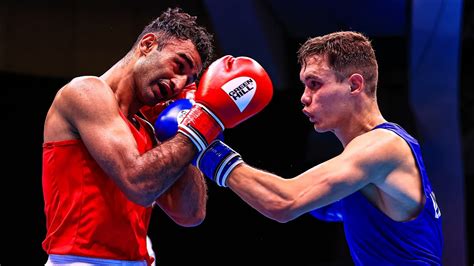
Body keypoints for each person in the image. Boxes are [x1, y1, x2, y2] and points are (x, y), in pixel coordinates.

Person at [42, 6, 273, 265]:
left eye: (188, 80)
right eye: (179, 65)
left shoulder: (151, 130)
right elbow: (138, 184)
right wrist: (204, 122)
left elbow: (190, 214)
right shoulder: (85, 92)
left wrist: (181, 127)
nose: (178, 84)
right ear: (148, 44)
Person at [197, 31, 443, 265]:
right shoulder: (371, 158)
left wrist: (206, 146)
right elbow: (323, 206)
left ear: (354, 85)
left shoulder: (382, 146)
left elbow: (285, 202)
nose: (304, 97)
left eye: (314, 84)